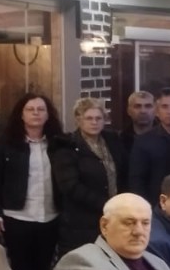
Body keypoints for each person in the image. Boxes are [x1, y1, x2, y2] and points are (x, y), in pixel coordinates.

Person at [0, 94, 64, 270]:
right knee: (21, 269)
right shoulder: (7, 145)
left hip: (50, 216)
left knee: (44, 269)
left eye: (41, 109)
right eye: (30, 109)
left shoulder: (58, 144)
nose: (36, 113)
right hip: (17, 217)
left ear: (48, 115)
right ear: (21, 115)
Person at [51, 98, 128, 257]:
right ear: (78, 120)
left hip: (113, 215)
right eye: (89, 118)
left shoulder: (112, 140)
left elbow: (123, 172)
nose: (94, 122)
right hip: (81, 220)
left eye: (98, 118)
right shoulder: (67, 145)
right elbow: (69, 186)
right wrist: (104, 204)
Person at [129, 88, 170, 202]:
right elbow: (137, 180)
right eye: (164, 107)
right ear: (157, 111)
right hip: (156, 204)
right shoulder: (144, 141)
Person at [120, 91, 155, 156]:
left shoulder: (166, 137)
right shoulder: (120, 141)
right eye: (137, 106)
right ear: (129, 111)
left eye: (148, 106)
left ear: (156, 110)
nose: (143, 111)